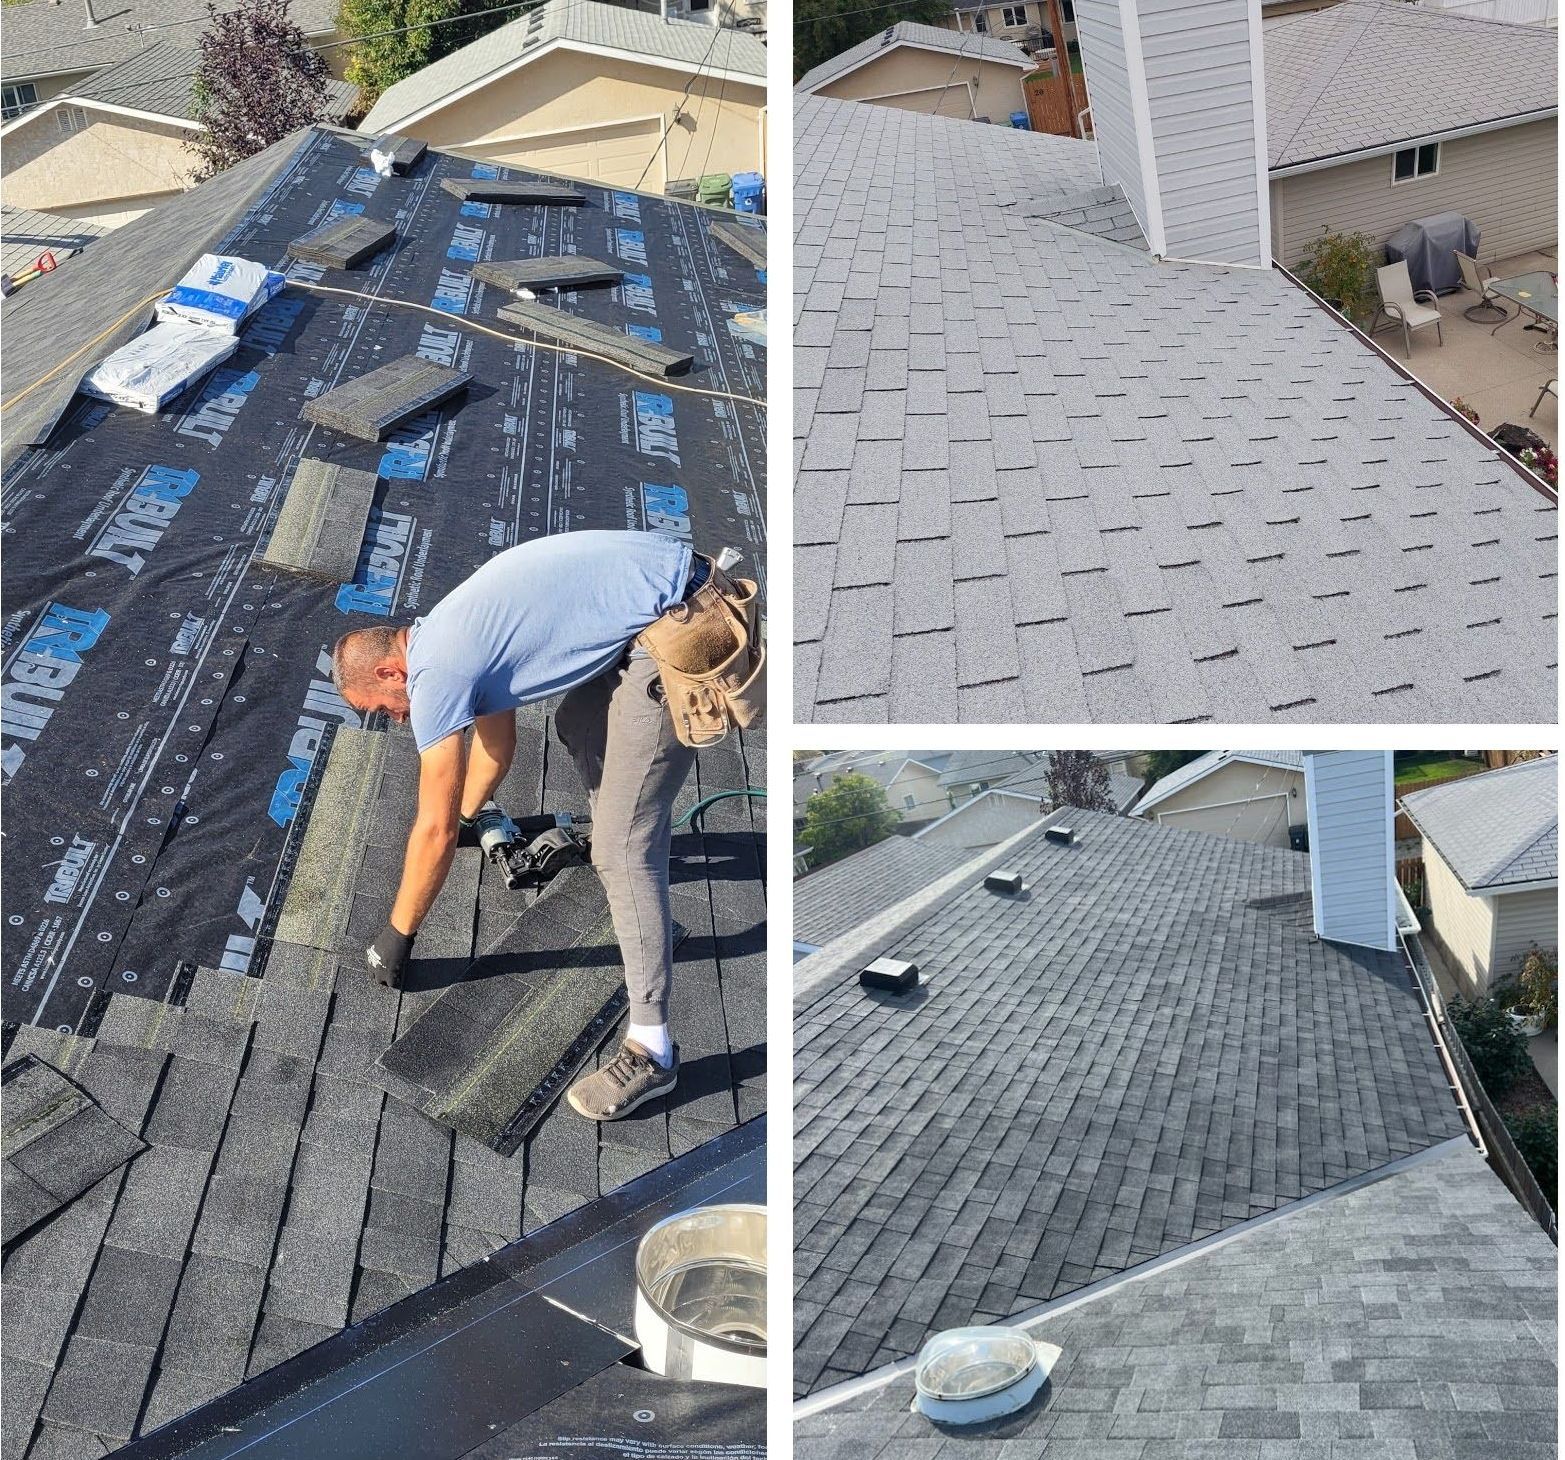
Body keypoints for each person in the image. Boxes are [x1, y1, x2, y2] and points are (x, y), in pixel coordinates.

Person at [330, 529, 710, 1121]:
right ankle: (629, 812)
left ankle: (654, 1049)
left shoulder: (436, 673)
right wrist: (465, 819)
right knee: (578, 720)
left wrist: (396, 937)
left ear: (387, 672)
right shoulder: (456, 630)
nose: (397, 719)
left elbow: (429, 829)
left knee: (621, 853)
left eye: (384, 710)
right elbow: (498, 747)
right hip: (669, 592)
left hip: (688, 629)